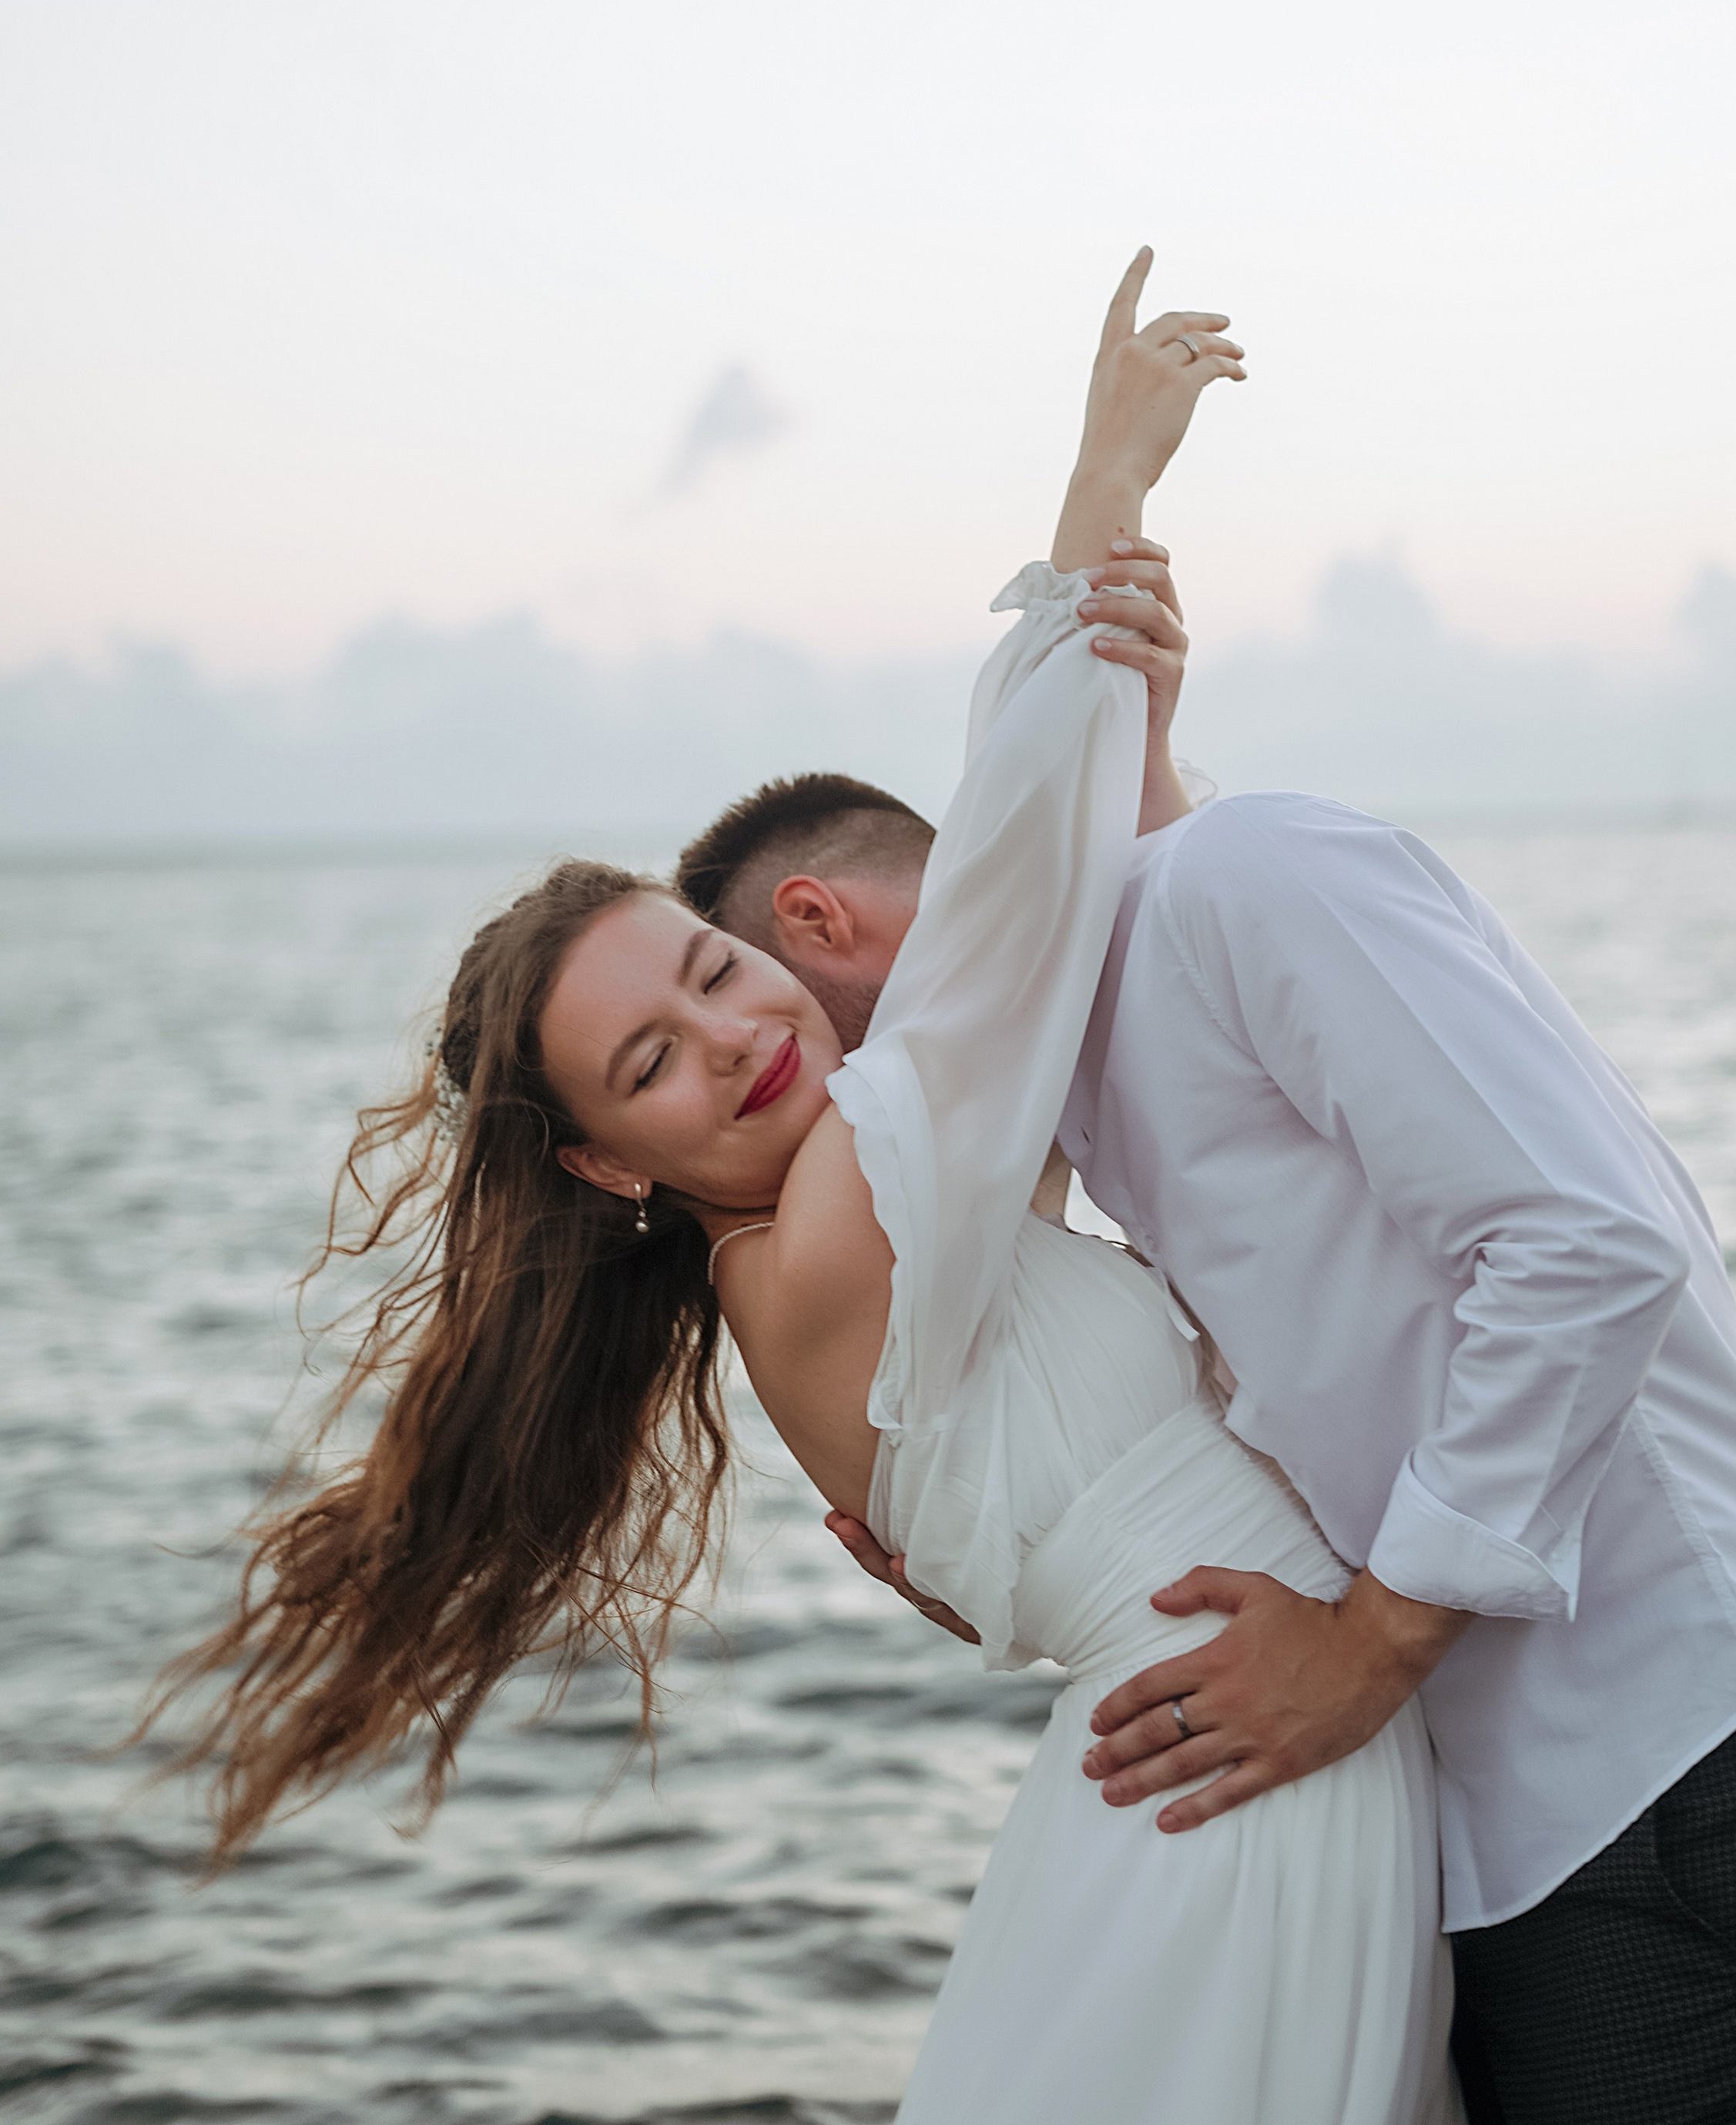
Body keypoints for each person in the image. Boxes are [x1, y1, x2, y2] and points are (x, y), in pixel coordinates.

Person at [156, 256, 1460, 2125]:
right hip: (1233, 1790)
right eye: (649, 1064)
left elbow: (1074, 991)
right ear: (609, 1163)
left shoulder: (872, 1237)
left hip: (1229, 1761)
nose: (733, 1035)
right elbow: (1002, 910)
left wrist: (1141, 729)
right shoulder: (827, 1240)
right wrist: (1103, 486)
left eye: (709, 971)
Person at [679, 401, 1736, 2125]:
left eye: (813, 1060)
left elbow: (1588, 1243)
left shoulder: (1243, 882)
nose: (845, 1138)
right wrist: (997, 1537)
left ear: (819, 927)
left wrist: (1374, 1641)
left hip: (1657, 1729)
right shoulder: (1079, 1102)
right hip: (1481, 1798)